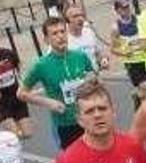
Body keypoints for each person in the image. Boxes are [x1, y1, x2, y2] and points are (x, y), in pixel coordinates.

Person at [18, 16, 95, 150]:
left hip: (88, 117)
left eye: (62, 31)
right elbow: (21, 93)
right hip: (65, 124)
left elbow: (93, 77)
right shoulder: (41, 65)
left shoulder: (80, 56)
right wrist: (49, 103)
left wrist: (91, 80)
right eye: (54, 33)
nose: (60, 36)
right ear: (47, 40)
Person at [109, 0, 146, 110]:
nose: (126, 10)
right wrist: (124, 53)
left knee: (145, 92)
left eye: (127, 7)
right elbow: (113, 49)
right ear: (117, 11)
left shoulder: (139, 20)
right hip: (132, 64)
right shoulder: (116, 28)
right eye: (123, 8)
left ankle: (138, 100)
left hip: (145, 60)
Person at [65, 3, 108, 72]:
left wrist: (103, 60)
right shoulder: (62, 38)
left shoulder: (89, 32)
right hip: (77, 80)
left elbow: (99, 52)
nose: (80, 19)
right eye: (75, 16)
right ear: (67, 21)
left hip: (95, 76)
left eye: (81, 15)